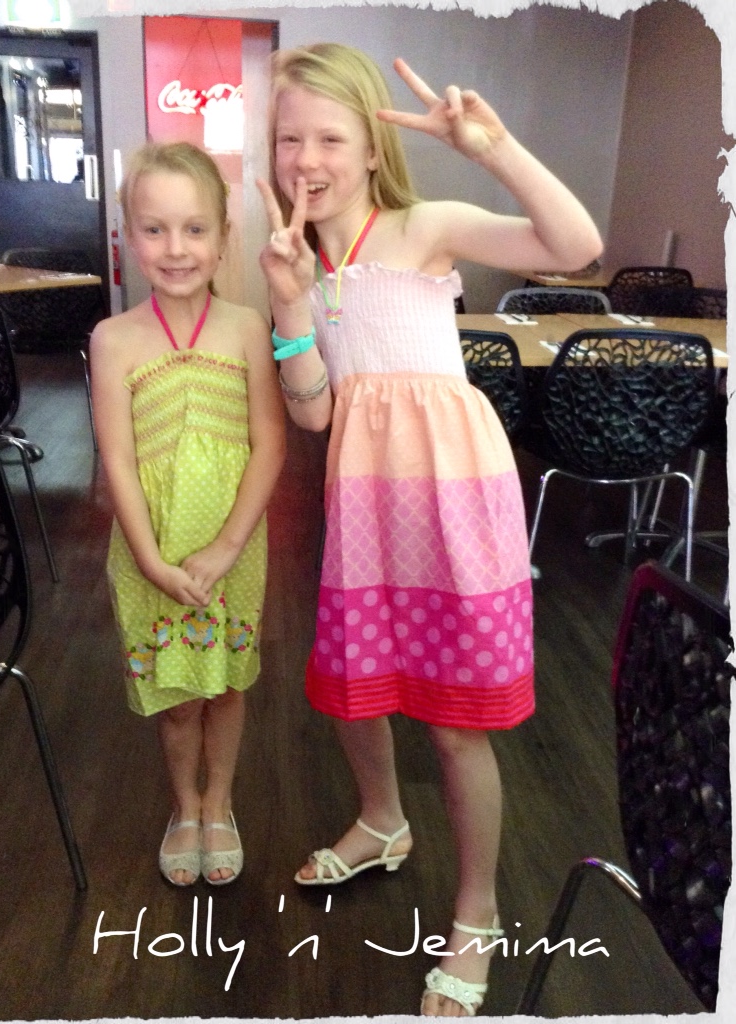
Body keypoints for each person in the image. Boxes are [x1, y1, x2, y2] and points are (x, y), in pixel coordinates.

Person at [257, 43, 602, 1016]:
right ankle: (381, 820)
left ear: (372, 147)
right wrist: (286, 302)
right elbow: (313, 414)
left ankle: (477, 910)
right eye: (288, 138)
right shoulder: (296, 258)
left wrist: (491, 148)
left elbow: (574, 245)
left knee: (455, 726)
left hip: (453, 496)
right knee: (356, 693)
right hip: (363, 500)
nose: (305, 158)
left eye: (330, 137)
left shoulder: (423, 226)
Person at [92, 142, 285, 887]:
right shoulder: (112, 339)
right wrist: (150, 560)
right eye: (155, 229)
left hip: (233, 549)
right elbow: (116, 460)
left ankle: (220, 803)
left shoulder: (247, 328)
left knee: (226, 685)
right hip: (154, 554)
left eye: (194, 229)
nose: (176, 248)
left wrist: (229, 545)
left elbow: (270, 444)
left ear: (223, 235)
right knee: (177, 701)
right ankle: (185, 805)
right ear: (129, 236)